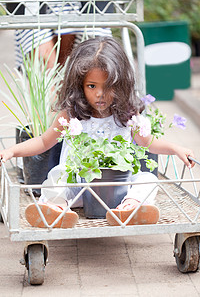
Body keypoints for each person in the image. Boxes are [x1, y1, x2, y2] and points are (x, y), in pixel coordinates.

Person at [0, 37, 195, 228]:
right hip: (78, 190)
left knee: (148, 178)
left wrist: (176, 148)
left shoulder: (127, 113)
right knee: (57, 174)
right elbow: (43, 142)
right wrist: (11, 152)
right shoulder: (71, 114)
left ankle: (130, 208)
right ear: (79, 84)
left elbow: (148, 142)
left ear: (121, 85)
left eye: (108, 86)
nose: (100, 94)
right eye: (91, 86)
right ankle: (56, 209)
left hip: (117, 189)